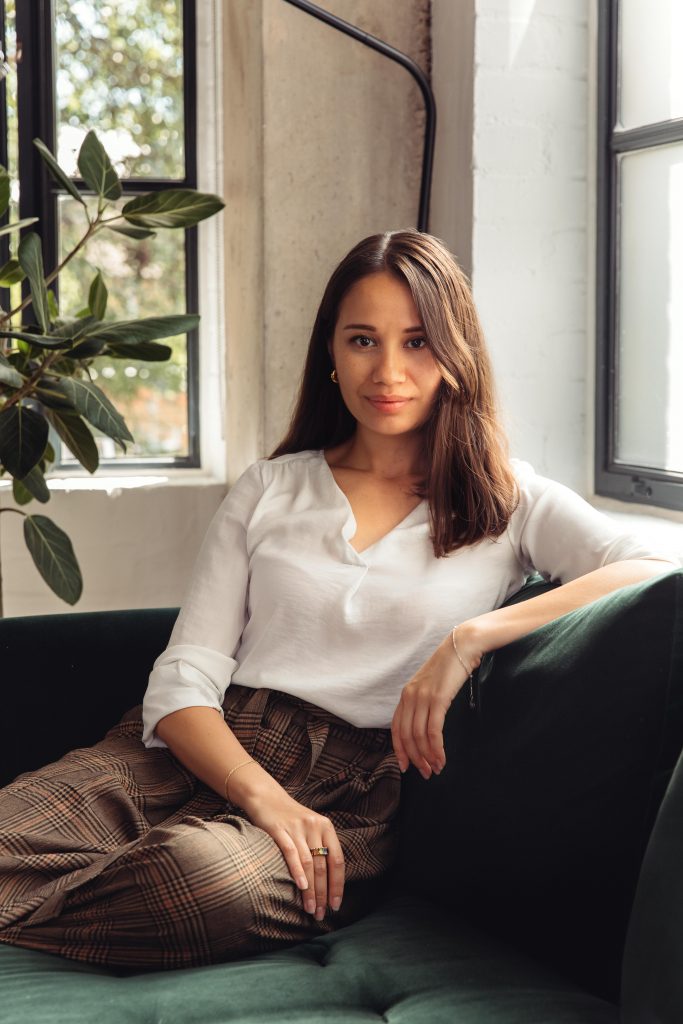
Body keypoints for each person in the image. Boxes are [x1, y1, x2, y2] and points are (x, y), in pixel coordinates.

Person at [0, 230, 676, 971]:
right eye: (363, 340)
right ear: (331, 351)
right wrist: (260, 796)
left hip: (347, 797)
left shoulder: (506, 498)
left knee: (188, 882)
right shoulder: (270, 486)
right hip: (196, 750)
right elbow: (185, 676)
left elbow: (648, 567)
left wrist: (470, 638)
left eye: (417, 342)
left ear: (456, 353)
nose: (388, 370)